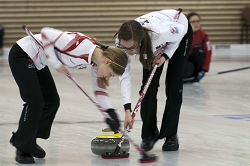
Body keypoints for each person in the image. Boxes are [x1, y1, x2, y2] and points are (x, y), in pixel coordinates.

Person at [8, 27, 128, 164]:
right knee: (35, 101)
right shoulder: (78, 45)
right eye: (111, 74)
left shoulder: (96, 62)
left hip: (38, 62)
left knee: (52, 102)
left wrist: (109, 112)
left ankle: (28, 140)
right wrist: (55, 62)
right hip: (23, 54)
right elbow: (46, 33)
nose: (109, 77)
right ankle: (22, 147)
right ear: (108, 62)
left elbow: (99, 90)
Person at [114, 9, 193, 152]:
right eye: (125, 48)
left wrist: (166, 56)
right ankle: (149, 134)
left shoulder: (161, 32)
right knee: (147, 88)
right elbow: (124, 77)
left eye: (132, 48)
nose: (129, 52)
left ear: (140, 41)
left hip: (179, 34)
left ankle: (170, 135)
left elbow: (180, 31)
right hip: (152, 44)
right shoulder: (122, 44)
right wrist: (127, 109)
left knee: (174, 86)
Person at [183, 12, 212, 82]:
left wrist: (204, 69)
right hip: (185, 63)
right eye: (193, 22)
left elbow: (208, 53)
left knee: (200, 52)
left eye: (198, 21)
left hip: (196, 64)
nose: (196, 24)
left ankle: (195, 74)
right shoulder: (183, 35)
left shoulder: (203, 35)